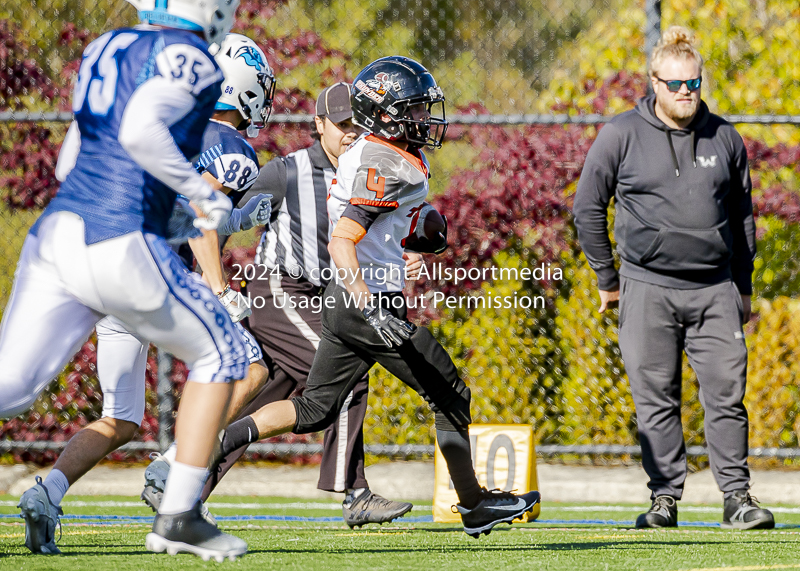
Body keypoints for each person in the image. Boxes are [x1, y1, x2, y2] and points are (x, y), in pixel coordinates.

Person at [212, 55, 540, 538]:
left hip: (347, 304)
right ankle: (473, 505)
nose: (425, 119)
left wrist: (415, 229)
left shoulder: (377, 149)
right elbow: (342, 239)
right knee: (449, 391)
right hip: (366, 305)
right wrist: (370, 303)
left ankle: (217, 441)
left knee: (314, 410)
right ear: (384, 113)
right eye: (414, 109)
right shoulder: (383, 162)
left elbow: (380, 221)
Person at [2, 0, 254, 561]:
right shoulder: (195, 58)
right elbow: (141, 130)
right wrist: (197, 190)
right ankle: (181, 514)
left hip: (57, 230)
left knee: (12, 389)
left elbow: (75, 158)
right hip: (116, 239)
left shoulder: (105, 47)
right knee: (226, 352)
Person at [142, 82, 416, 528]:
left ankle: (182, 493)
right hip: (280, 292)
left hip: (322, 299)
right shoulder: (284, 172)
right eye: (342, 124)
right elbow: (217, 219)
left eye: (358, 125)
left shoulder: (366, 171)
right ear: (319, 124)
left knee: (256, 401)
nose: (351, 133)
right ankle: (356, 494)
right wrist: (209, 281)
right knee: (346, 376)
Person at [573, 26, 774, 530]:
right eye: (676, 84)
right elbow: (587, 208)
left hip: (714, 290)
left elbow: (743, 217)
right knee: (655, 398)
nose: (686, 92)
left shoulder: (725, 137)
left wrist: (744, 286)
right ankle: (664, 500)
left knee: (727, 396)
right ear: (654, 83)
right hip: (646, 286)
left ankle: (738, 499)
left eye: (694, 83)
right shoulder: (620, 134)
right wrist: (607, 278)